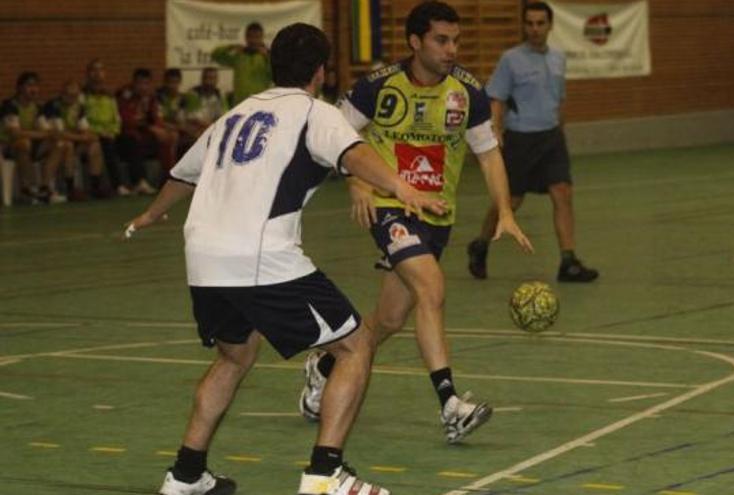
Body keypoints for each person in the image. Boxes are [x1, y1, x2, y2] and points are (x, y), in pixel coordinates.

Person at [126, 23, 445, 495]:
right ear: (320, 72)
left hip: (203, 256)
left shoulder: (235, 115)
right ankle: (325, 474)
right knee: (355, 345)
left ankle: (185, 475)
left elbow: (183, 174)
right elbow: (355, 155)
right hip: (260, 255)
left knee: (235, 355)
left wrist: (151, 213)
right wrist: (401, 186)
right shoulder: (315, 112)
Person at [298, 1, 533, 444]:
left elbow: (487, 154)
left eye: (456, 41)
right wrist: (358, 185)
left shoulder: (467, 93)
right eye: (441, 41)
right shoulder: (378, 87)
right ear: (415, 42)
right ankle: (450, 405)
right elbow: (336, 136)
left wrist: (503, 209)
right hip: (390, 206)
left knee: (389, 319)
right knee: (432, 287)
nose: (452, 50)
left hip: (436, 214)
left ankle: (325, 365)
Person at [467, 1, 599, 283]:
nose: (535, 29)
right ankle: (480, 244)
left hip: (551, 137)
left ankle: (568, 261)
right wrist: (496, 130)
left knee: (562, 192)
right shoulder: (511, 59)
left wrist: (560, 127)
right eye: (530, 23)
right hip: (521, 140)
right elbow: (498, 98)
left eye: (541, 23)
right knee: (510, 202)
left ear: (550, 25)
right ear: (524, 26)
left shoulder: (559, 58)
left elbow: (559, 98)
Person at [84, 58, 151, 196]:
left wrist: (113, 131)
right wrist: (99, 132)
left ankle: (140, 182)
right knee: (107, 145)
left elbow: (116, 117)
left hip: (112, 133)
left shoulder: (109, 95)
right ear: (88, 74)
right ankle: (118, 185)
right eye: (94, 70)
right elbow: (82, 119)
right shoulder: (82, 95)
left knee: (131, 140)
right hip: (93, 135)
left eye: (100, 70)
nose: (97, 73)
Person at [0, 72, 68, 204]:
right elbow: (15, 133)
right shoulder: (10, 106)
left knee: (59, 144)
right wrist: (40, 134)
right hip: (8, 147)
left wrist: (46, 134)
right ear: (20, 88)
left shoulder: (38, 107)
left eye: (36, 86)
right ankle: (28, 188)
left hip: (31, 145)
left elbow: (45, 130)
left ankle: (44, 187)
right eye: (30, 85)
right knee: (23, 143)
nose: (34, 89)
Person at [41, 80, 108, 200]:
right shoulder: (54, 106)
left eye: (75, 96)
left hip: (71, 139)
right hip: (49, 142)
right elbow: (59, 134)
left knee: (95, 144)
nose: (73, 99)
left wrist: (88, 136)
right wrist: (82, 137)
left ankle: (95, 185)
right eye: (69, 95)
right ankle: (69, 188)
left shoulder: (78, 107)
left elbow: (85, 129)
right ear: (62, 94)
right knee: (68, 145)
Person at [116, 68, 177, 188]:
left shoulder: (151, 97)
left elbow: (155, 117)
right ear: (134, 83)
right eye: (140, 83)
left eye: (146, 84)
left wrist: (164, 129)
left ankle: (168, 178)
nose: (143, 87)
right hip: (128, 134)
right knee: (133, 140)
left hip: (146, 134)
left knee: (168, 138)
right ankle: (140, 181)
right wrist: (151, 128)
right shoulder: (125, 96)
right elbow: (127, 120)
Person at [211, 21, 273, 105]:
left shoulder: (268, 56)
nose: (253, 40)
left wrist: (267, 57)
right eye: (250, 36)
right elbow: (215, 55)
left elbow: (275, 76)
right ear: (246, 37)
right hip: (240, 103)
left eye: (257, 37)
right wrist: (230, 47)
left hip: (261, 103)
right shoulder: (239, 55)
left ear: (262, 37)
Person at [184, 67, 228, 135]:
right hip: (196, 128)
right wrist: (209, 126)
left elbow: (224, 115)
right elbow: (192, 118)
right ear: (202, 79)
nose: (209, 81)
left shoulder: (220, 94)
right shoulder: (193, 94)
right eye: (206, 78)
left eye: (212, 78)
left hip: (213, 127)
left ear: (216, 80)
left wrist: (213, 126)